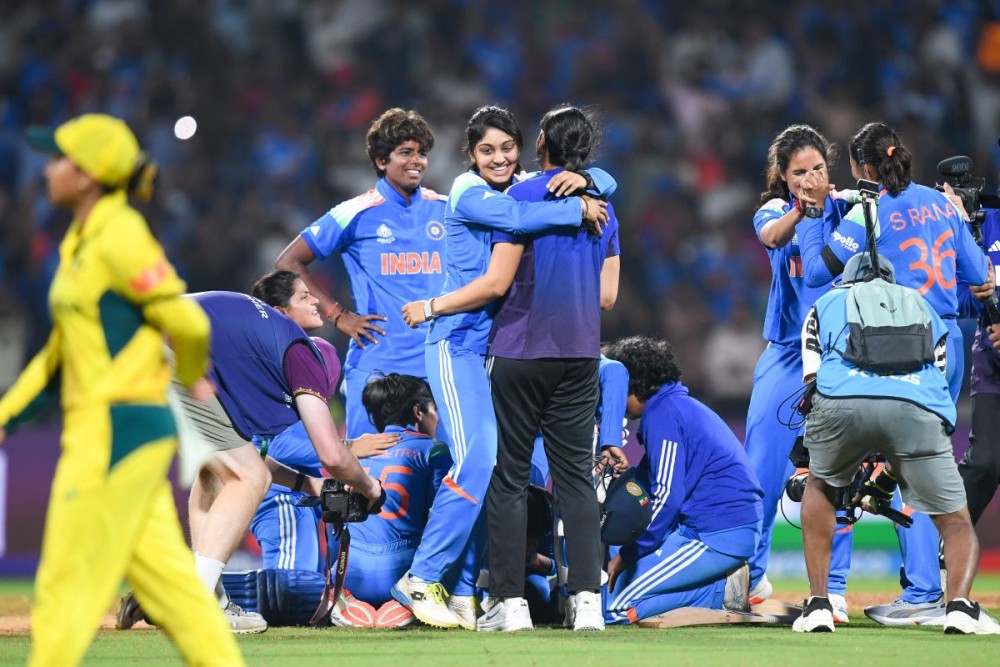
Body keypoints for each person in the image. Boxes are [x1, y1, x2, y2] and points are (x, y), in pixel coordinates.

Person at [0, 114, 243, 665]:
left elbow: (189, 323)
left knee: (67, 582)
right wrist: (6, 415)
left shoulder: (121, 235)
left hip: (116, 430)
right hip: (111, 430)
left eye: (59, 158)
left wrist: (192, 373)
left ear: (87, 176)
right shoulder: (80, 241)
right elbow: (59, 354)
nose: (48, 169)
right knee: (173, 593)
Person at [394, 105, 612, 629]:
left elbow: (604, 179)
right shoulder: (471, 192)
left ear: (525, 148)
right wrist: (578, 207)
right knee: (478, 459)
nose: (498, 157)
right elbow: (517, 221)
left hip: (488, 347)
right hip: (453, 344)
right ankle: (421, 577)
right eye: (487, 150)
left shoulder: (523, 185)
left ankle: (468, 591)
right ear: (471, 155)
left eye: (507, 148)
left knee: (490, 467)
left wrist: (589, 179)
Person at [797, 121, 991, 625]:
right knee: (929, 467)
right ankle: (932, 592)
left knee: (862, 472)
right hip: (948, 341)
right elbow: (978, 276)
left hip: (894, 342)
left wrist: (816, 213)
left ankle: (915, 591)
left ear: (863, 169)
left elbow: (819, 272)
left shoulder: (871, 208)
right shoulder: (942, 205)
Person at [120, 281, 385, 634]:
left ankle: (205, 596)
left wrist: (311, 483)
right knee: (249, 479)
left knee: (215, 474)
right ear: (280, 313)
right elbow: (332, 453)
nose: (315, 302)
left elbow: (255, 456)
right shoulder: (308, 352)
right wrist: (369, 487)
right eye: (303, 296)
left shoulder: (249, 358)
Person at [481, 104, 621, 633]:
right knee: (576, 482)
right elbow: (608, 296)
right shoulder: (603, 204)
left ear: (541, 141)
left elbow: (500, 278)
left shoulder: (517, 197)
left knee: (511, 478)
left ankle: (509, 604)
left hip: (519, 349)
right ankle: (587, 601)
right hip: (580, 354)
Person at [274, 108, 448, 442]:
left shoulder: (445, 209)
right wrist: (339, 316)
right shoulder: (354, 212)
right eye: (406, 153)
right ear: (382, 160)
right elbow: (289, 261)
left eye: (422, 153)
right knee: (368, 474)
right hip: (378, 365)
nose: (417, 161)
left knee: (441, 471)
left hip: (436, 366)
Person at [743, 124, 855, 621]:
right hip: (788, 352)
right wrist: (801, 209)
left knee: (840, 472)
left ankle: (833, 587)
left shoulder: (850, 210)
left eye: (818, 170)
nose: (811, 179)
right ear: (783, 179)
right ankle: (748, 574)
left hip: (841, 354)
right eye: (799, 173)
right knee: (761, 470)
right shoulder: (772, 212)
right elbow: (770, 236)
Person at [600, 335, 764, 624]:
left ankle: (720, 590)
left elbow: (666, 497)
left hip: (715, 536)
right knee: (611, 596)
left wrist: (628, 554)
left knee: (612, 608)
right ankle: (719, 583)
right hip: (715, 529)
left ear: (634, 384)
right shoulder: (672, 406)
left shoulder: (663, 415)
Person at [343, 374, 453, 628]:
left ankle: (345, 600)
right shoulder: (434, 449)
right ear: (418, 412)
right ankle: (408, 605)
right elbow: (442, 519)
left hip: (351, 574)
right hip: (402, 572)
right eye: (434, 409)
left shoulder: (355, 449)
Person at [958, 208, 1000, 525]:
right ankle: (946, 552)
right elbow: (948, 292)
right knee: (985, 462)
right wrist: (974, 293)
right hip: (991, 363)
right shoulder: (983, 225)